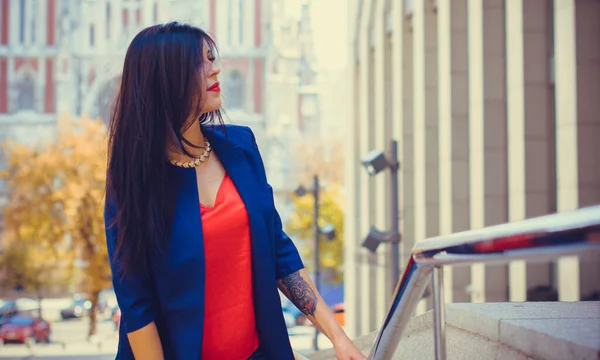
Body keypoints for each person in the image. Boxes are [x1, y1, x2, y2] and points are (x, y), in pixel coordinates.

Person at [104, 22, 366, 360]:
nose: (216, 68)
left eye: (212, 57)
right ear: (166, 79)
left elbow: (280, 253)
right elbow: (137, 306)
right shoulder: (132, 182)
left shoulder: (241, 146)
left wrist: (338, 339)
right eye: (200, 62)